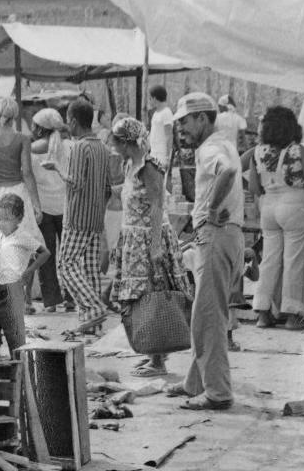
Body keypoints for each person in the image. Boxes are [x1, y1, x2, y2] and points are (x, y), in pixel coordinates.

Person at [167, 92, 241, 411]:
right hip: (225, 235)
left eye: (185, 121)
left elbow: (227, 172)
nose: (182, 127)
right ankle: (195, 382)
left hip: (216, 234)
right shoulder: (223, 142)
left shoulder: (212, 147)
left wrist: (210, 210)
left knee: (208, 316)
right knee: (205, 311)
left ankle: (218, 392)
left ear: (202, 118)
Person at [109, 115, 186, 378]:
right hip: (132, 238)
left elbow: (157, 205)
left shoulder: (150, 166)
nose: (114, 145)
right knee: (141, 297)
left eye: (116, 141)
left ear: (126, 142)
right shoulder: (129, 164)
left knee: (152, 294)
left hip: (147, 238)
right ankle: (154, 352)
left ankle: (158, 359)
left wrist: (155, 246)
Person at [246, 105, 304, 331]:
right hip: (294, 204)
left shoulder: (257, 152)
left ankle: (264, 313)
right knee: (294, 261)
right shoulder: (299, 151)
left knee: (270, 260)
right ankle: (293, 315)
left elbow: (254, 187)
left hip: (268, 207)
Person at [57, 100, 111, 335]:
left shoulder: (79, 147)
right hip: (96, 218)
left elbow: (76, 183)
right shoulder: (102, 147)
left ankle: (94, 307)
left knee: (66, 264)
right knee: (90, 269)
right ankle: (93, 324)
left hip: (77, 218)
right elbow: (108, 188)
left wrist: (57, 169)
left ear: (73, 121)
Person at [0, 98, 41, 256]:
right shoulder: (23, 139)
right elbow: (27, 173)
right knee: (21, 246)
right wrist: (37, 206)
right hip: (17, 193)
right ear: (15, 115)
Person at [0, 193, 47, 361]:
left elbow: (44, 253)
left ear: (18, 219)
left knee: (14, 337)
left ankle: (20, 374)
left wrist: (28, 272)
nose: (1, 223)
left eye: (6, 219)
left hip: (12, 292)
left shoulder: (22, 237)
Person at [29, 107, 68, 314]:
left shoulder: (32, 149)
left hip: (42, 208)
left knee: (46, 256)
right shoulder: (68, 147)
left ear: (39, 129)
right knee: (69, 256)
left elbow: (29, 178)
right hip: (66, 207)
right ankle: (72, 298)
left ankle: (51, 301)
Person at [147, 85, 174, 177]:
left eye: (150, 98)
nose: (149, 101)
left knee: (162, 181)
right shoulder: (155, 113)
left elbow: (169, 136)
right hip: (153, 153)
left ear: (154, 98)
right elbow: (153, 133)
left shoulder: (166, 112)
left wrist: (167, 158)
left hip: (162, 154)